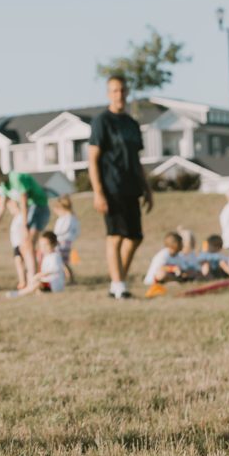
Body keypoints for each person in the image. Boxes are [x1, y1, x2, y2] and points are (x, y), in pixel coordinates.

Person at [88, 75, 154, 300]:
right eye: (115, 91)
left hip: (131, 186)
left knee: (135, 237)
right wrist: (98, 192)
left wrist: (148, 189)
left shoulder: (131, 124)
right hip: (111, 186)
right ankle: (118, 285)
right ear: (109, 94)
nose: (119, 94)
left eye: (122, 90)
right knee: (115, 236)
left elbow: (137, 159)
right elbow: (93, 159)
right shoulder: (102, 122)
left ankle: (118, 281)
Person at [0, 164, 50, 279]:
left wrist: (24, 226)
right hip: (30, 210)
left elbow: (23, 202)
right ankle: (32, 278)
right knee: (25, 246)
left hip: (38, 207)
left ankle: (33, 280)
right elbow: (1, 207)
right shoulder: (5, 186)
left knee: (28, 244)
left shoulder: (16, 178)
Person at [6, 232, 65, 298]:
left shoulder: (55, 256)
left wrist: (38, 276)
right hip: (47, 283)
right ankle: (38, 293)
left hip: (54, 285)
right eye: (41, 245)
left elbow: (51, 270)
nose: (43, 248)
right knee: (35, 283)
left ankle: (18, 294)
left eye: (46, 245)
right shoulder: (46, 256)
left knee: (37, 283)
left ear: (53, 244)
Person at [52, 195, 79, 284]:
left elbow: (63, 230)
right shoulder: (66, 218)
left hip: (64, 242)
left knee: (62, 261)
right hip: (60, 241)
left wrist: (55, 235)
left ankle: (70, 278)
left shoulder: (69, 218)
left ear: (62, 208)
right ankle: (65, 278)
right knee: (62, 261)